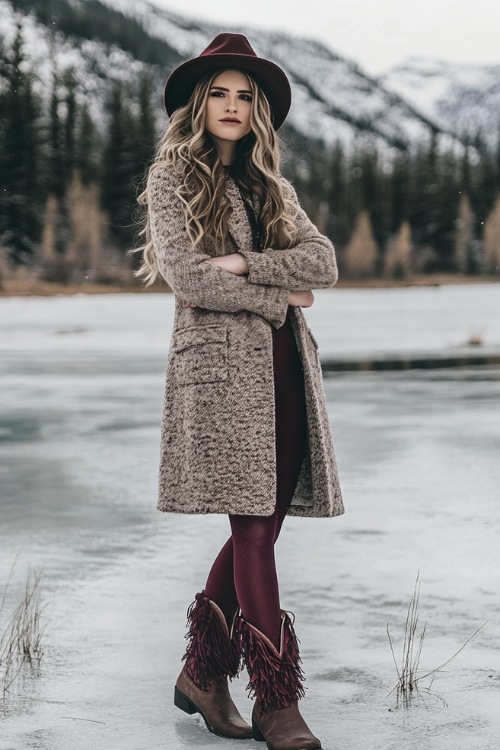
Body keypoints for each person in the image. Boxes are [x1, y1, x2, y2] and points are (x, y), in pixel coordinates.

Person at [135, 32, 344, 750]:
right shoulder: (172, 178)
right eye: (219, 93)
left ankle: (201, 672)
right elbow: (189, 279)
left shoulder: (271, 185)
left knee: (267, 519)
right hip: (222, 377)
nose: (230, 105)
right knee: (254, 526)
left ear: (258, 111)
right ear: (200, 103)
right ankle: (277, 702)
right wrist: (281, 295)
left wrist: (245, 265)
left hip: (285, 372)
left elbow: (325, 261)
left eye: (244, 95)